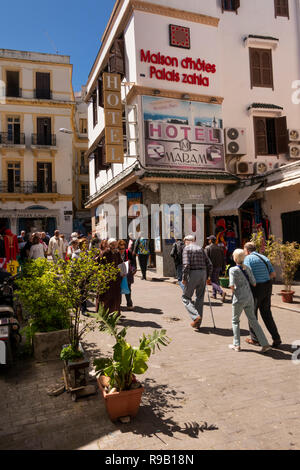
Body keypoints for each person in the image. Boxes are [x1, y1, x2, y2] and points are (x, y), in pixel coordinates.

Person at [229, 249, 271, 353]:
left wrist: (234, 291)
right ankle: (265, 344)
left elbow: (231, 285)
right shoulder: (247, 268)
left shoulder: (233, 270)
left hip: (239, 298)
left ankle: (237, 345)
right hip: (249, 298)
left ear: (235, 258)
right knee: (253, 321)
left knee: (235, 320)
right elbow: (254, 283)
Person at [244, 242, 282, 348]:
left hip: (256, 288)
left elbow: (248, 275)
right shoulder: (264, 257)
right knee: (267, 313)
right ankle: (276, 338)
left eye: (244, 250)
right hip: (267, 286)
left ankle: (255, 339)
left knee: (252, 314)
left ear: (247, 250)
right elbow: (273, 274)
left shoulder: (248, 259)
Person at [182, 235, 213, 330]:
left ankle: (195, 317)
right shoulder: (200, 248)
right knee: (199, 297)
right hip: (203, 273)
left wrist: (184, 278)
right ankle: (197, 323)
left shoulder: (187, 249)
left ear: (188, 240)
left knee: (185, 297)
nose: (184, 243)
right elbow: (209, 264)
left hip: (193, 273)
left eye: (185, 241)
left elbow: (186, 265)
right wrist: (208, 276)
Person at [96, 238, 122, 314]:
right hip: (106, 279)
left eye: (115, 244)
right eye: (112, 244)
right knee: (106, 298)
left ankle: (115, 315)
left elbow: (120, 263)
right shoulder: (105, 253)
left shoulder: (117, 253)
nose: (114, 246)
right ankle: (104, 315)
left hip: (116, 279)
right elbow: (99, 264)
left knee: (116, 298)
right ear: (109, 245)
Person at [205, 235, 226, 302]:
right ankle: (214, 294)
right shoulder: (220, 248)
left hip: (211, 267)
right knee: (215, 280)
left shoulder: (207, 248)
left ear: (211, 240)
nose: (208, 241)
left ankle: (221, 292)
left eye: (209, 239)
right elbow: (223, 259)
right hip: (219, 267)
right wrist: (223, 268)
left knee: (212, 281)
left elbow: (206, 259)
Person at [118, 239, 137, 310]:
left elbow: (133, 261)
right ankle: (118, 305)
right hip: (119, 274)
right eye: (120, 248)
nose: (121, 250)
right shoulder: (116, 253)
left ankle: (129, 304)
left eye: (123, 248)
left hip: (127, 274)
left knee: (128, 289)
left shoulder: (128, 252)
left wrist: (134, 269)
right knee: (119, 290)